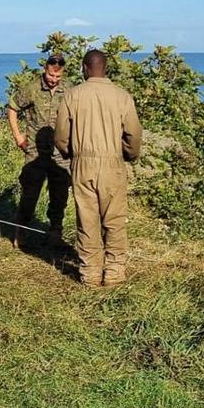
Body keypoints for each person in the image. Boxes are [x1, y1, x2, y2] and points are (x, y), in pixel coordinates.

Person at [54, 49, 143, 287]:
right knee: (114, 219)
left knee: (87, 219)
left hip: (83, 162)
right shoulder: (122, 96)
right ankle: (114, 272)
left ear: (84, 67)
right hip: (113, 161)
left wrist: (71, 153)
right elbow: (133, 134)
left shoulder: (73, 95)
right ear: (106, 68)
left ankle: (91, 273)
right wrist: (129, 154)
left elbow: (61, 135)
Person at [6, 53, 72, 247]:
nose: (54, 80)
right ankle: (21, 231)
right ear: (46, 69)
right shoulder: (32, 88)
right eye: (51, 76)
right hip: (35, 151)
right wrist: (18, 137)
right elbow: (12, 107)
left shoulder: (69, 90)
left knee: (60, 193)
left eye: (58, 77)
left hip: (60, 153)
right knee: (30, 192)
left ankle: (55, 231)